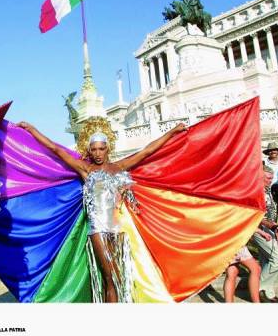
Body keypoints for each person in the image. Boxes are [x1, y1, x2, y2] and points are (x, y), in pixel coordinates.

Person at [18, 117, 187, 302]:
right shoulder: (86, 169)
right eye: (94, 149)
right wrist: (32, 130)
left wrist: (172, 132)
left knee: (120, 278)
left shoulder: (118, 167)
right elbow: (55, 149)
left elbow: (147, 151)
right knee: (111, 277)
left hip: (118, 231)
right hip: (97, 230)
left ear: (108, 148)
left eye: (101, 148)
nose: (98, 153)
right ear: (89, 150)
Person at [251, 165, 278, 303]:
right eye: (268, 178)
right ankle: (259, 289)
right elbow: (257, 216)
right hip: (258, 229)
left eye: (272, 178)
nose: (271, 180)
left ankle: (269, 293)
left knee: (267, 261)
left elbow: (271, 212)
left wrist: (276, 228)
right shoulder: (256, 192)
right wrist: (272, 226)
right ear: (260, 176)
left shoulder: (267, 190)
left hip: (269, 229)